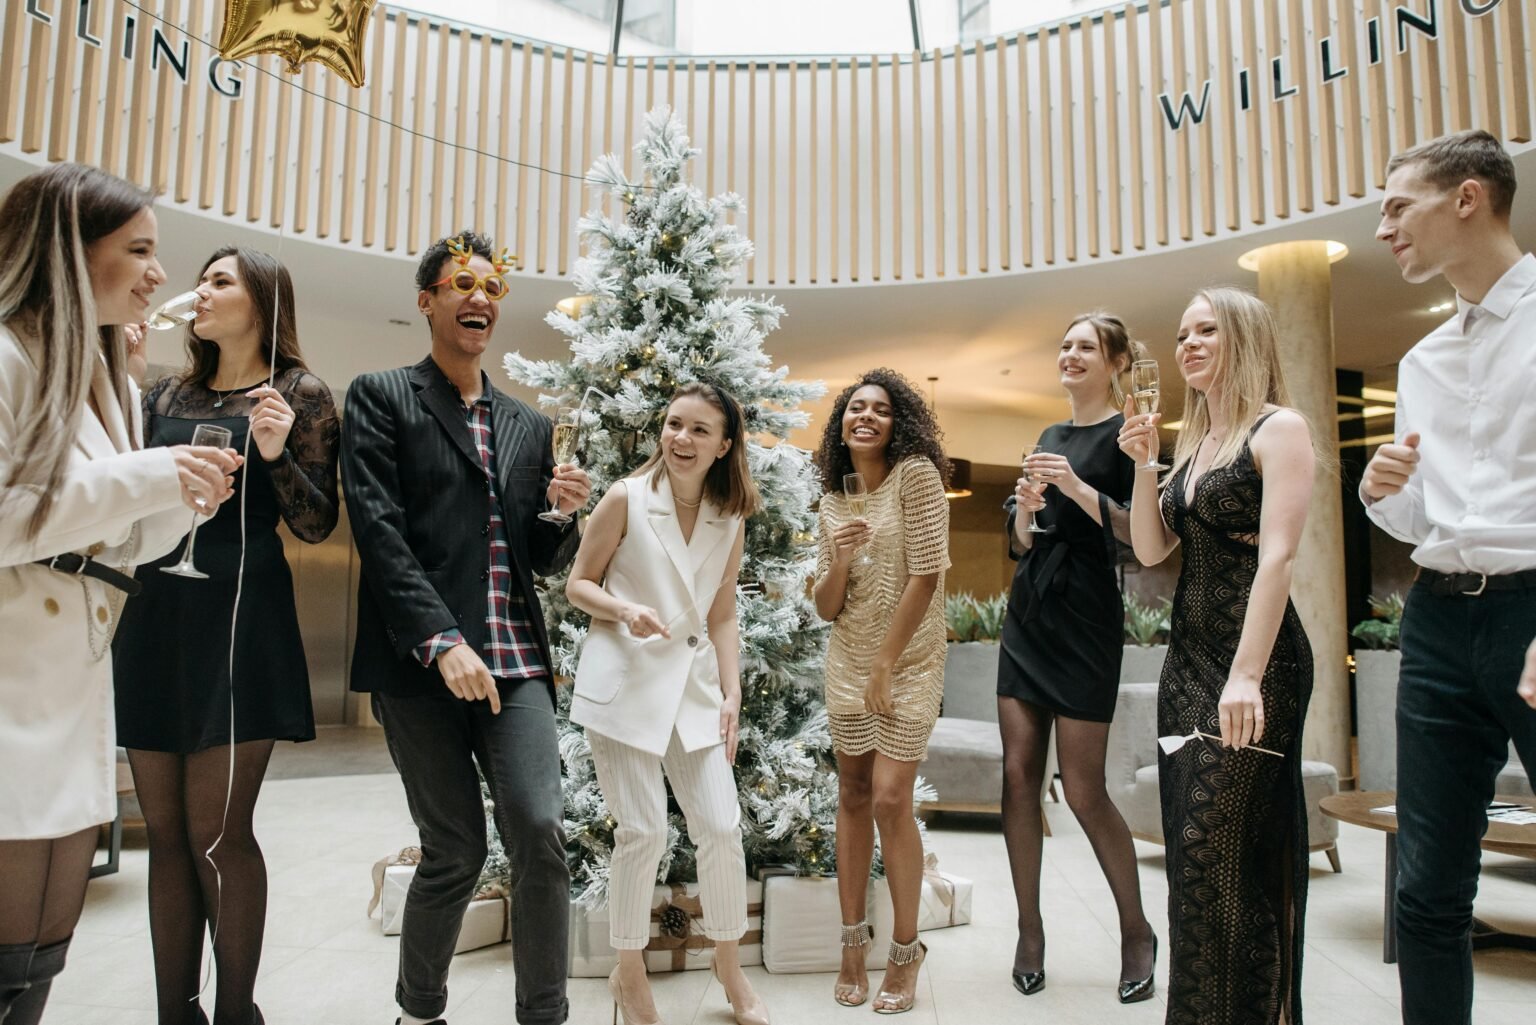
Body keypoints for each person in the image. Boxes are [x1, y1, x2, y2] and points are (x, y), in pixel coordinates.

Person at [0, 163, 241, 1025]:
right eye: (138, 248)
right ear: (70, 250)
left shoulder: (104, 383)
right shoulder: (4, 355)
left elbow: (116, 546)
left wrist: (177, 500)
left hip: (70, 685)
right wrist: (150, 474)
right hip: (12, 678)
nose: (159, 273)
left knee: (39, 956)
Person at [340, 229, 590, 1025]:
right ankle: (419, 1011)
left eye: (491, 286)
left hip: (515, 663)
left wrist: (561, 513)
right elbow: (380, 535)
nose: (478, 296)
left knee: (542, 832)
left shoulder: (525, 423)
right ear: (428, 300)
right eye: (460, 283)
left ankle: (543, 1013)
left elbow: (538, 556)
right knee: (454, 851)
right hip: (420, 665)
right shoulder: (381, 396)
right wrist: (442, 640)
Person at [112, 246, 339, 1025]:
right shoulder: (164, 389)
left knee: (216, 832)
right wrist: (116, 378)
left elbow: (317, 524)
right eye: (201, 279)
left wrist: (275, 454)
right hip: (154, 614)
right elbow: (117, 483)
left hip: (242, 619)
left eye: (218, 281)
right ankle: (177, 1013)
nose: (199, 291)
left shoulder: (300, 392)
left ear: (262, 302)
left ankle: (239, 1013)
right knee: (168, 835)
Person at [1363, 128, 1536, 1025]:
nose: (1384, 227)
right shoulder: (1422, 361)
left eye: (1399, 205)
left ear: (1467, 197)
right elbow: (1418, 517)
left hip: (1533, 611)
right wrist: (1381, 491)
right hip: (1435, 619)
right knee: (1427, 889)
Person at [1117, 287, 1317, 1025]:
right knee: (1194, 862)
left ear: (1244, 335)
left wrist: (1247, 674)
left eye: (1207, 330)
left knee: (1224, 855)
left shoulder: (1279, 428)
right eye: (1181, 334)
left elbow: (1280, 557)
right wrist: (1144, 465)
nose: (1188, 344)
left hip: (1256, 667)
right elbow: (1148, 547)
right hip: (1187, 667)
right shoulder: (1196, 445)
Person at [566, 383, 769, 1025]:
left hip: (696, 688)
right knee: (644, 830)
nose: (681, 439)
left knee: (721, 826)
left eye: (699, 430)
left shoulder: (729, 515)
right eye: (674, 425)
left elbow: (724, 610)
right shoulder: (626, 497)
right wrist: (624, 609)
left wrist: (732, 689)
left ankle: (728, 963)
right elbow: (577, 584)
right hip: (625, 682)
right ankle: (628, 972)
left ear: (724, 445)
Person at [997, 312, 1156, 1003]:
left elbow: (1144, 537)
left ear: (1115, 361)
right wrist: (1028, 508)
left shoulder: (1132, 433)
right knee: (1016, 775)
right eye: (1064, 345)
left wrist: (1078, 488)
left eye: (1085, 346)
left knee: (1084, 788)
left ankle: (1136, 930)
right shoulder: (1047, 434)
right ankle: (1030, 929)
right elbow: (1021, 539)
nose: (1070, 354)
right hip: (1030, 611)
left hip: (1089, 614)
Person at [812, 368, 950, 1015]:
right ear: (842, 424)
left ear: (901, 424)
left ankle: (904, 950)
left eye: (881, 409)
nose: (866, 416)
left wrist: (887, 664)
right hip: (848, 661)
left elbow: (925, 576)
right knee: (853, 793)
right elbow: (825, 606)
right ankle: (849, 945)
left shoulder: (916, 477)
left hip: (910, 661)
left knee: (893, 798)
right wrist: (837, 557)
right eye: (855, 407)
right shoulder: (833, 503)